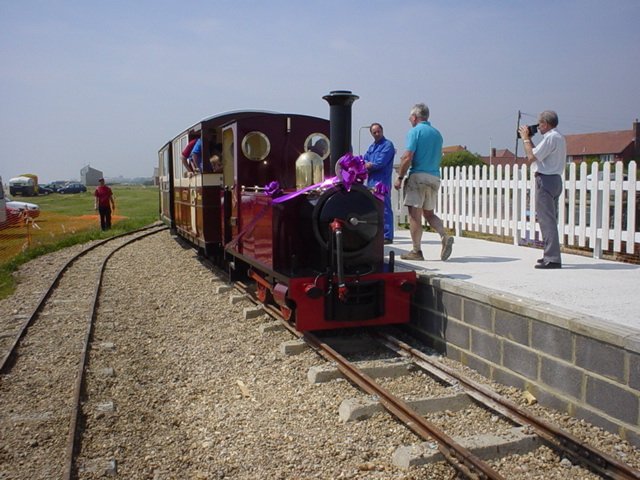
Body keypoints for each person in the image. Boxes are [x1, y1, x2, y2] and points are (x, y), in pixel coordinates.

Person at [394, 103, 453, 261]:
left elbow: (407, 156)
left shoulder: (415, 132)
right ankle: (444, 235)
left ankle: (416, 251)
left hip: (418, 177)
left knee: (414, 215)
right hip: (434, 177)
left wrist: (400, 177)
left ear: (414, 117)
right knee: (429, 213)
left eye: (410, 118)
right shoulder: (437, 134)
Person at [519, 110, 567, 269]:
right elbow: (538, 154)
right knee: (551, 219)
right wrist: (530, 142)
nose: (538, 127)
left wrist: (525, 139)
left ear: (546, 123)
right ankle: (550, 254)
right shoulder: (559, 137)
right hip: (556, 180)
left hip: (545, 180)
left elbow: (531, 158)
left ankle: (552, 258)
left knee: (547, 221)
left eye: (539, 124)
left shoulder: (550, 138)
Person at [364, 123, 395, 244]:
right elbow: (365, 158)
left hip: (382, 182)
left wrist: (368, 165)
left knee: (385, 208)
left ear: (382, 131)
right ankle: (377, 233)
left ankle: (388, 236)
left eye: (378, 131)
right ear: (371, 134)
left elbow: (380, 163)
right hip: (371, 182)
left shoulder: (388, 145)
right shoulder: (372, 147)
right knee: (374, 209)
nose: (377, 134)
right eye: (374, 132)